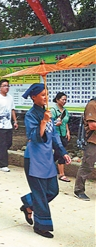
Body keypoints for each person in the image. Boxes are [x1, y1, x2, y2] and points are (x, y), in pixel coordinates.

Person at [19, 83, 71, 239]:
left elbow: (54, 136)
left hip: (47, 159)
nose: (45, 97)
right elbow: (33, 137)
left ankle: (28, 204)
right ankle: (41, 226)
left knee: (52, 190)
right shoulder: (31, 115)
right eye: (42, 95)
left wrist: (63, 152)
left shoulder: (48, 113)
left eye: (46, 94)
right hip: (34, 159)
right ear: (33, 97)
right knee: (41, 194)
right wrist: (43, 121)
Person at [74, 97, 96, 201]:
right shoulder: (92, 105)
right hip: (93, 141)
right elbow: (92, 125)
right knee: (87, 166)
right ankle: (79, 190)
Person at [50, 92, 71, 182]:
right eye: (63, 99)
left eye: (65, 100)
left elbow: (65, 122)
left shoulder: (65, 111)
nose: (64, 101)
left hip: (63, 135)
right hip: (55, 135)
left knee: (58, 153)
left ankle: (47, 166)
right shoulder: (53, 110)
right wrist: (56, 123)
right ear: (57, 99)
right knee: (61, 153)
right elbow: (49, 123)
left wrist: (68, 131)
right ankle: (61, 174)